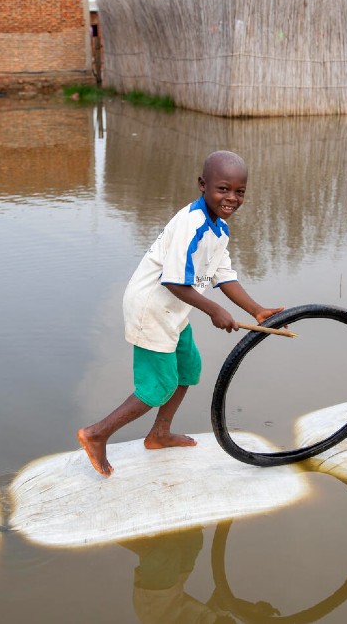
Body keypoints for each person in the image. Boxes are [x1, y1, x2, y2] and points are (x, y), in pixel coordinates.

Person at [77, 150, 283, 476]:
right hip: (152, 309)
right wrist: (215, 310)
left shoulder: (219, 229)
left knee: (188, 369)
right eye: (223, 189)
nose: (231, 198)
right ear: (203, 185)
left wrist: (256, 310)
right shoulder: (193, 224)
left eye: (239, 191)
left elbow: (223, 275)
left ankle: (159, 434)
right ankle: (96, 433)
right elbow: (173, 281)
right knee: (158, 385)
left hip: (173, 310)